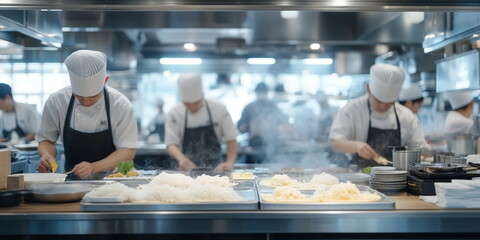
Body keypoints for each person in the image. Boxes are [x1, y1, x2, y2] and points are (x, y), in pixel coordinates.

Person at [36, 49, 139, 179]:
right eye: (79, 96)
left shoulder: (120, 105)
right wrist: (47, 155)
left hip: (113, 180)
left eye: (92, 96)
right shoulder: (57, 101)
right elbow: (46, 140)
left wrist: (94, 167)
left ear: (105, 81)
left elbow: (128, 151)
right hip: (72, 180)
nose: (86, 101)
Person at [329, 63, 426, 168]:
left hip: (397, 180)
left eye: (389, 102)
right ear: (368, 89)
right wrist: (356, 146)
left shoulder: (407, 117)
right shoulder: (352, 110)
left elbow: (420, 148)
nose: (383, 106)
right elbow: (335, 142)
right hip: (358, 178)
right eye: (378, 101)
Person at [165, 73, 238, 171]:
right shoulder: (175, 113)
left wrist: (230, 162)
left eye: (196, 103)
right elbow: (171, 144)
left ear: (202, 96)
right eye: (187, 104)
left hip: (217, 170)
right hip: (188, 170)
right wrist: (182, 159)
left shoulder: (219, 108)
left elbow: (231, 138)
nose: (192, 107)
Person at [237, 82, 289, 163]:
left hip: (272, 146)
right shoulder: (249, 108)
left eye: (263, 93)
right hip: (253, 147)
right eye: (259, 93)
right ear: (256, 94)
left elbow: (285, 126)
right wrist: (251, 127)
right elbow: (240, 128)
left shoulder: (273, 107)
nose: (262, 96)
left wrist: (273, 127)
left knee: (273, 170)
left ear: (267, 93)